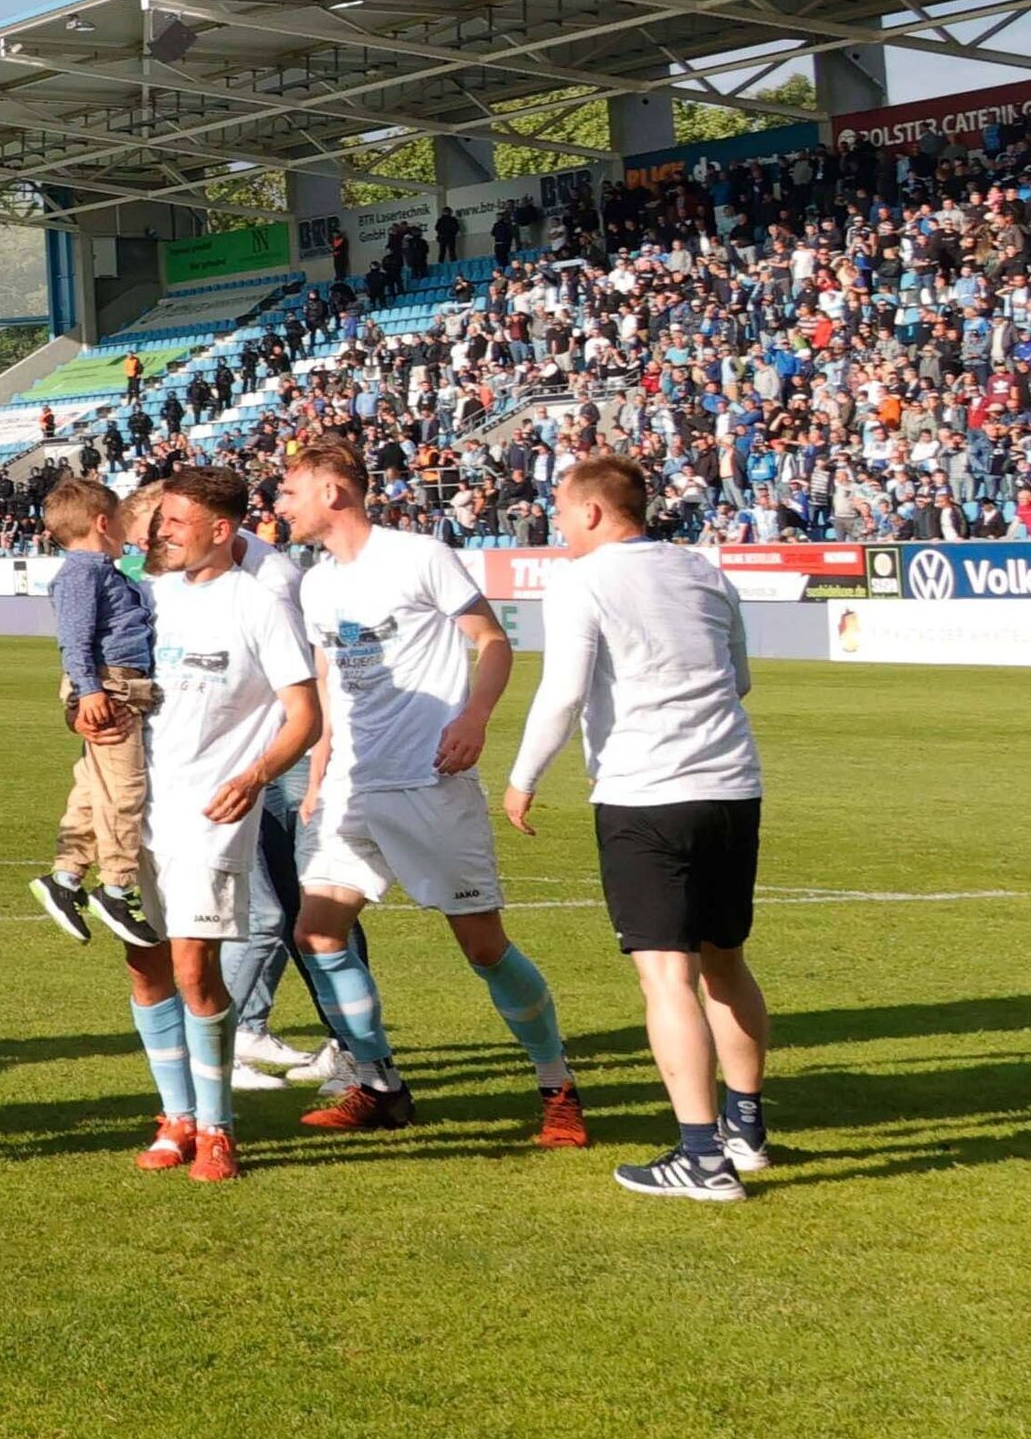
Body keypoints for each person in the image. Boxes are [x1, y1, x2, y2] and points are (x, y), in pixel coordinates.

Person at [272, 441, 585, 1147]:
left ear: (333, 492)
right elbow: (328, 683)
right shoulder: (315, 582)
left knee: (482, 946)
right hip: (352, 786)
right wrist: (319, 774)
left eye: (290, 492)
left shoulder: (418, 555)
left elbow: (492, 641)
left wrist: (473, 717)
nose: (279, 506)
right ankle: (381, 1086)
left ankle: (556, 1082)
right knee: (316, 931)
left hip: (429, 782)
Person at [498, 455, 775, 1200]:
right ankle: (746, 1131)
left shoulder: (584, 581)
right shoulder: (704, 571)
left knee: (666, 974)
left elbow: (562, 691)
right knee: (727, 961)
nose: (556, 523)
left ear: (592, 511)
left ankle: (700, 1156)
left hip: (646, 791)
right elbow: (739, 678)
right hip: (731, 788)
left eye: (560, 509)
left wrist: (522, 778)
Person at [122, 466, 317, 1183]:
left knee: (192, 967)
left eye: (174, 519)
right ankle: (175, 1116)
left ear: (219, 529)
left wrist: (254, 776)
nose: (160, 530)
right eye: (161, 518)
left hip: (211, 811)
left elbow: (304, 716)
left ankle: (217, 1127)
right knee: (145, 966)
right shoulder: (149, 596)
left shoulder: (259, 603)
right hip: (138, 810)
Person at [33, 475, 157, 944]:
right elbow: (76, 639)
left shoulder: (99, 573)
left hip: (114, 684)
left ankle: (64, 878)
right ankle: (116, 887)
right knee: (125, 790)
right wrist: (89, 691)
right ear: (104, 523)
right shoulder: (83, 573)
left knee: (92, 787)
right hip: (109, 687)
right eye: (123, 525)